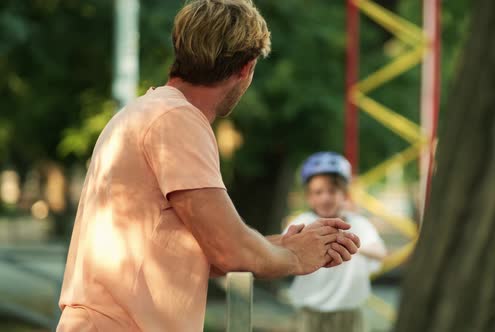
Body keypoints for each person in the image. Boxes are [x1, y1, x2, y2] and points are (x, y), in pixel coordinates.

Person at [56, 1, 361, 331]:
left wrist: (282, 245)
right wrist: (296, 258)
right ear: (246, 68)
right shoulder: (177, 120)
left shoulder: (149, 112)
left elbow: (204, 249)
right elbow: (229, 250)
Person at [284, 152, 387, 332]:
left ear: (345, 195)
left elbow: (380, 252)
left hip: (349, 313)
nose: (325, 198)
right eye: (318, 192)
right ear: (309, 197)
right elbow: (284, 253)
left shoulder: (358, 224)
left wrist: (350, 244)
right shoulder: (302, 222)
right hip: (309, 312)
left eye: (332, 191)